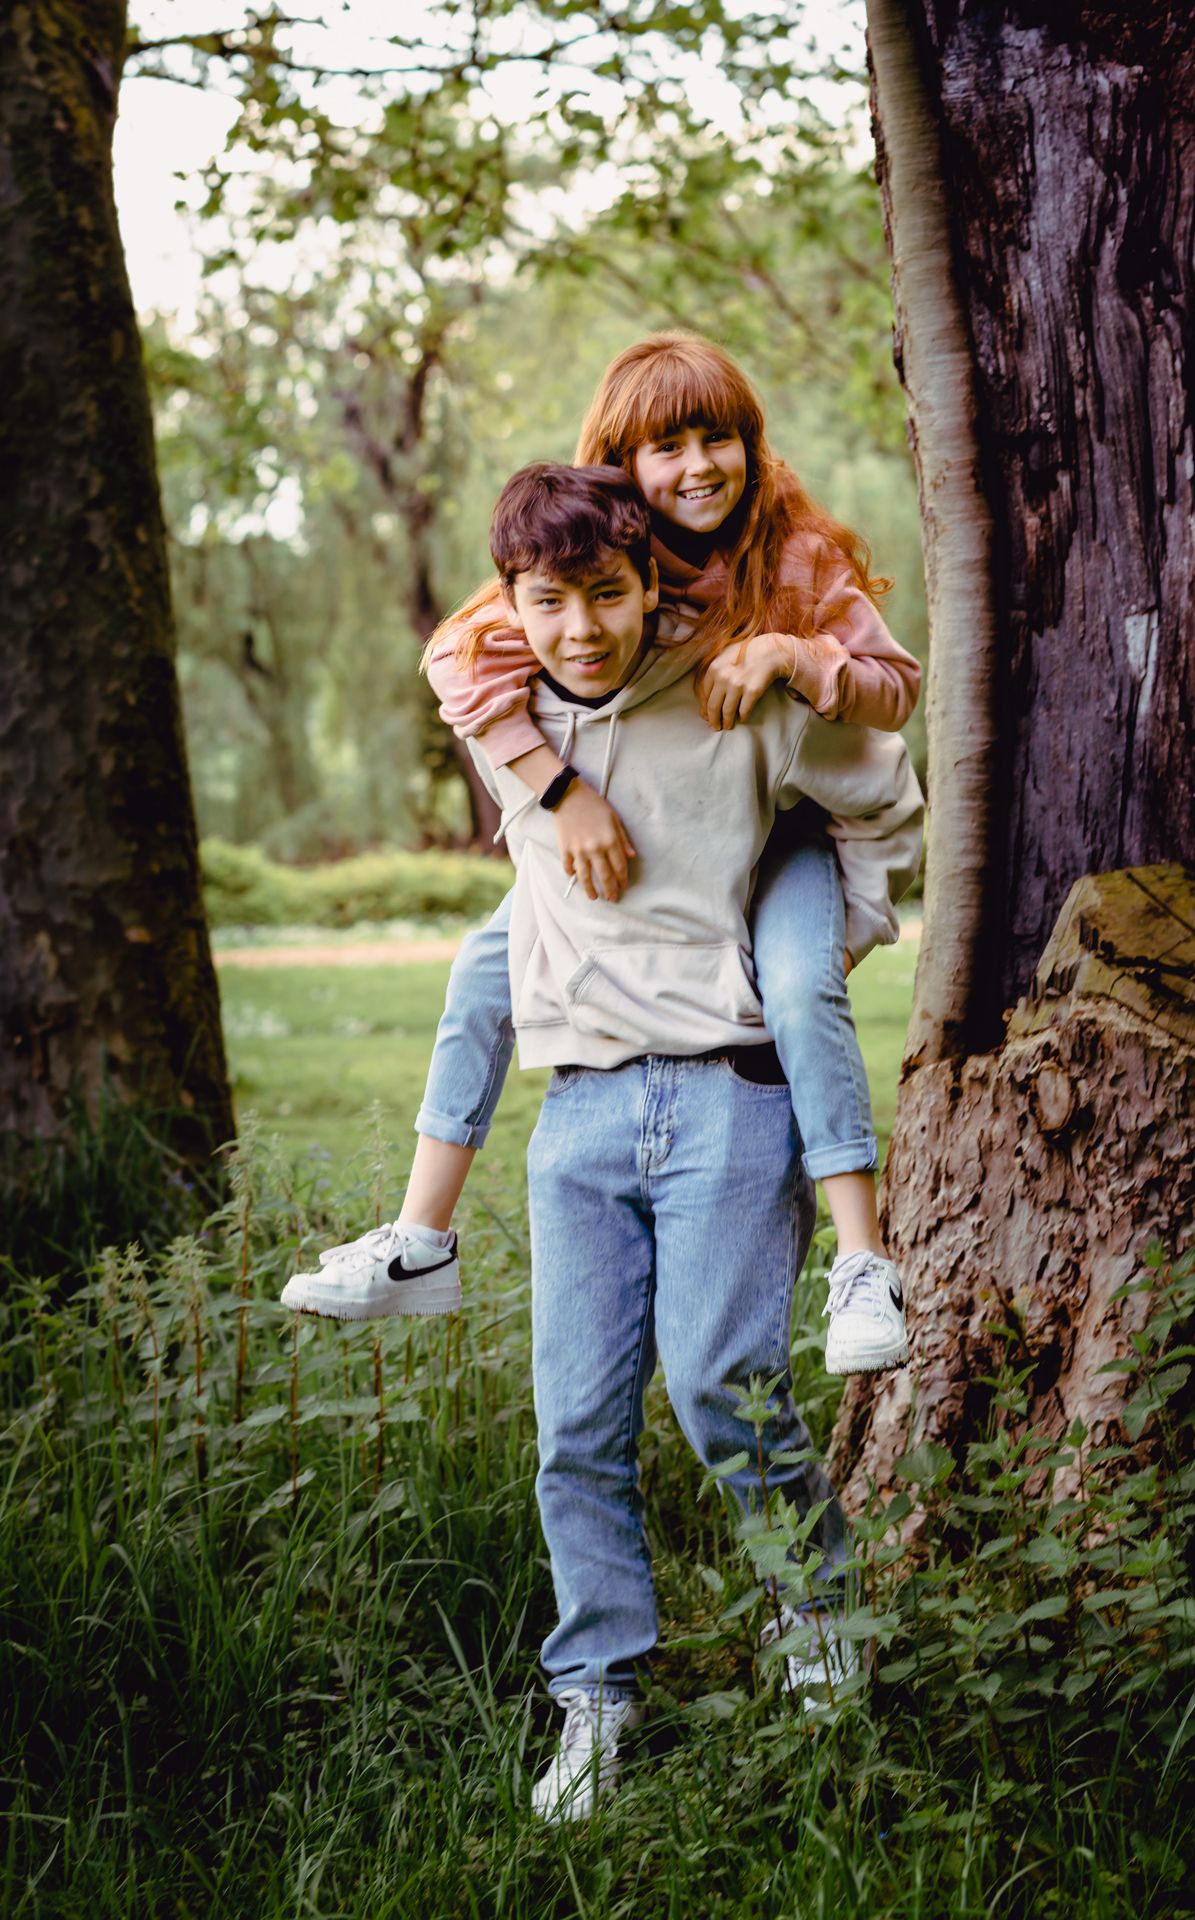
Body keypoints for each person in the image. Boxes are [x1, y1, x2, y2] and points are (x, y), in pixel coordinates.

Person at [283, 333, 920, 1376]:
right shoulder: (594, 554)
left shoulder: (792, 551)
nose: (698, 468)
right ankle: (420, 1237)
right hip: (670, 823)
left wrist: (790, 652)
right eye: (666, 447)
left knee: (802, 987)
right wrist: (559, 789)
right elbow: (456, 656)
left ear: (751, 445)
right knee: (481, 973)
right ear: (619, 467)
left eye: (718, 439)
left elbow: (894, 691)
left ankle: (860, 1264)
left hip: (781, 827)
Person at [454, 464, 921, 1818]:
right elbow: (459, 667)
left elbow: (883, 792)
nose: (580, 630)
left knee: (725, 1385)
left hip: (729, 1094)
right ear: (516, 605)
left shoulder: (734, 694)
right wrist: (554, 788)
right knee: (574, 1427)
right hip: (580, 1114)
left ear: (653, 584)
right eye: (549, 604)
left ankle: (820, 1625)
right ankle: (595, 1696)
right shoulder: (515, 722)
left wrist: (823, 947)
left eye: (606, 597)